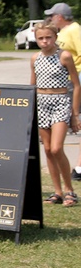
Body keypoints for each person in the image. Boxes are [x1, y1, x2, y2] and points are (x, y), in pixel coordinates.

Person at [29, 22, 80, 206]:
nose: (44, 41)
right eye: (40, 38)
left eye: (48, 37)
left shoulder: (64, 56)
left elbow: (76, 85)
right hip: (42, 103)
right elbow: (32, 87)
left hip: (60, 101)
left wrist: (75, 114)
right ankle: (57, 192)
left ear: (55, 37)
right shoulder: (35, 58)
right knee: (48, 150)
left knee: (57, 148)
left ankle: (70, 191)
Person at [44, 2, 81, 181]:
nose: (51, 19)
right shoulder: (62, 32)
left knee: (77, 120)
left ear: (59, 17)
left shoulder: (75, 29)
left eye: (52, 16)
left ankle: (79, 166)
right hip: (60, 84)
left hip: (76, 77)